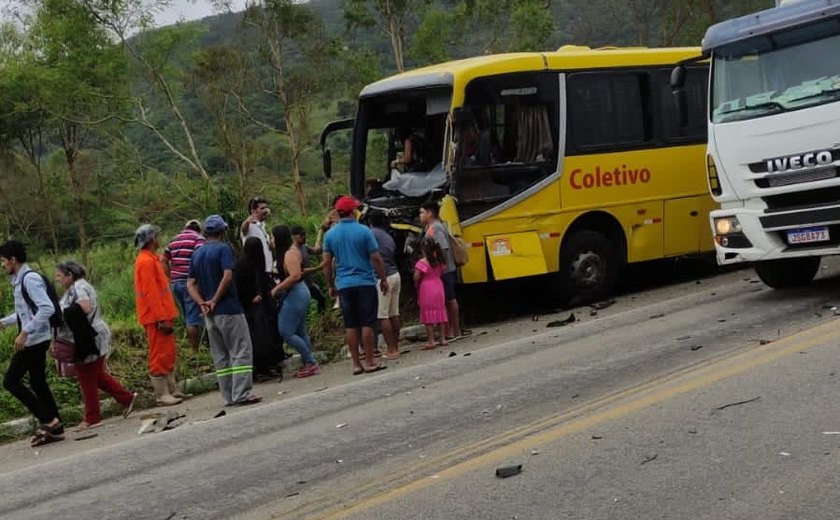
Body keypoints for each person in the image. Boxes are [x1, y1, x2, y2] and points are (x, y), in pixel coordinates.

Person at [188, 215, 261, 406]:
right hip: (228, 309)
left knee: (220, 356)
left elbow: (190, 284)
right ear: (222, 231)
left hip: (209, 314)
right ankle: (242, 394)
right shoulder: (223, 249)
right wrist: (215, 299)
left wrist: (202, 302)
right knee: (241, 350)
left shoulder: (197, 253)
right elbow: (228, 276)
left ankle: (228, 396)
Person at [55, 261, 136, 430]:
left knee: (86, 376)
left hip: (88, 337)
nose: (57, 280)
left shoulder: (78, 288)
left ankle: (92, 417)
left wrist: (62, 313)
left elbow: (85, 307)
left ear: (70, 275)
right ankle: (126, 398)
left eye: (59, 276)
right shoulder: (78, 286)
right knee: (96, 375)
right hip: (95, 334)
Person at [0, 240, 64, 447]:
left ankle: (48, 420)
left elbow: (46, 308)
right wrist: (5, 322)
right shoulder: (21, 279)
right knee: (38, 383)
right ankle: (57, 427)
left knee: (10, 381)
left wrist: (24, 333)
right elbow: (24, 311)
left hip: (35, 339)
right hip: (37, 337)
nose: (2, 266)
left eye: (3, 261)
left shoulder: (29, 279)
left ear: (13, 260)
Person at [323, 196, 389, 375]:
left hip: (344, 285)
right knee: (367, 322)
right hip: (365, 282)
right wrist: (383, 279)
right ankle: (369, 361)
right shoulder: (364, 231)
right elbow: (376, 258)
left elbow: (327, 264)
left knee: (351, 324)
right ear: (353, 211)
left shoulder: (330, 235)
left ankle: (356, 364)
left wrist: (331, 285)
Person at [134, 224, 186, 407]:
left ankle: (171, 389)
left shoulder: (150, 259)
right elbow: (151, 294)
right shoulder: (146, 262)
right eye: (156, 235)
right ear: (150, 240)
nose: (159, 238)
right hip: (156, 317)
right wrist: (160, 318)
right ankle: (161, 394)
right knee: (159, 355)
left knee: (168, 353)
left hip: (161, 315)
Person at [271, 226, 320, 378]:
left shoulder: (290, 253)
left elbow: (295, 275)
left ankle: (310, 361)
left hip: (296, 293)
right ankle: (308, 361)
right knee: (300, 330)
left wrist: (277, 288)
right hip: (298, 292)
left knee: (286, 331)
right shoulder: (288, 252)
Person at [235, 237, 283, 382]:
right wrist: (252, 297)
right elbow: (241, 286)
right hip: (252, 308)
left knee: (260, 338)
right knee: (259, 338)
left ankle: (264, 368)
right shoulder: (247, 265)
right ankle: (261, 369)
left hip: (254, 307)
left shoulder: (245, 263)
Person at [419, 201, 462, 340]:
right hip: (444, 269)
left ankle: (454, 330)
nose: (420, 216)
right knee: (447, 300)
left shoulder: (435, 228)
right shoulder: (433, 226)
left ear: (430, 213)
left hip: (445, 270)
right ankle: (450, 330)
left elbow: (443, 247)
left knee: (450, 299)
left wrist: (435, 264)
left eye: (422, 212)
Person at [162, 220, 205, 350]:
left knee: (187, 315)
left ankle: (194, 346)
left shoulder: (174, 239)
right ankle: (195, 350)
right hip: (190, 283)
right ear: (198, 229)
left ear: (185, 227)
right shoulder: (198, 239)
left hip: (176, 283)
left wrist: (170, 276)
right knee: (192, 318)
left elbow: (163, 260)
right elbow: (200, 257)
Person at [369, 212, 401, 359]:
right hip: (395, 274)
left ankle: (391, 349)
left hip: (383, 277)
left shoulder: (371, 234)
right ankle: (396, 345)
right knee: (394, 313)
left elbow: (373, 257)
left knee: (382, 315)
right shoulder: (388, 236)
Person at [414, 238, 448, 350]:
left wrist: (416, 283)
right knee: (440, 311)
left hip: (426, 288)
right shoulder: (439, 260)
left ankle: (431, 340)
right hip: (439, 285)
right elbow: (442, 271)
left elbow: (417, 276)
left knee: (427, 314)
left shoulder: (422, 263)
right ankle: (443, 338)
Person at [291, 225, 327, 313]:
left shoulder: (304, 247)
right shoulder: (293, 252)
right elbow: (301, 271)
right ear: (295, 236)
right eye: (302, 235)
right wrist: (318, 268)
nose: (304, 237)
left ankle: (322, 321)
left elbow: (317, 251)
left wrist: (320, 234)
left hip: (309, 283)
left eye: (305, 234)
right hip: (300, 286)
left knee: (322, 299)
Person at [241, 197, 273, 273]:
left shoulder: (263, 226)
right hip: (255, 272)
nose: (266, 210)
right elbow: (244, 229)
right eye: (262, 208)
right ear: (253, 211)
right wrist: (248, 221)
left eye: (266, 208)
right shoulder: (249, 226)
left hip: (267, 270)